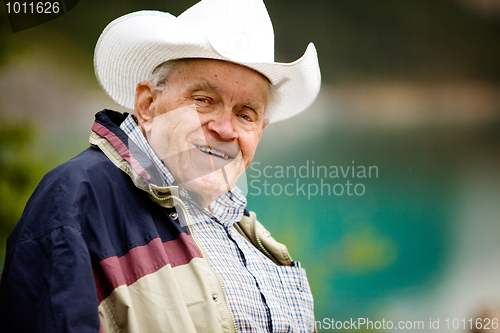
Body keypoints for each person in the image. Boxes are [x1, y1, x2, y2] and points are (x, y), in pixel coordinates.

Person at [0, 0, 321, 332]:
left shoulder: (251, 236)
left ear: (261, 131)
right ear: (148, 105)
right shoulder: (77, 198)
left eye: (245, 114)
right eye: (203, 100)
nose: (226, 129)